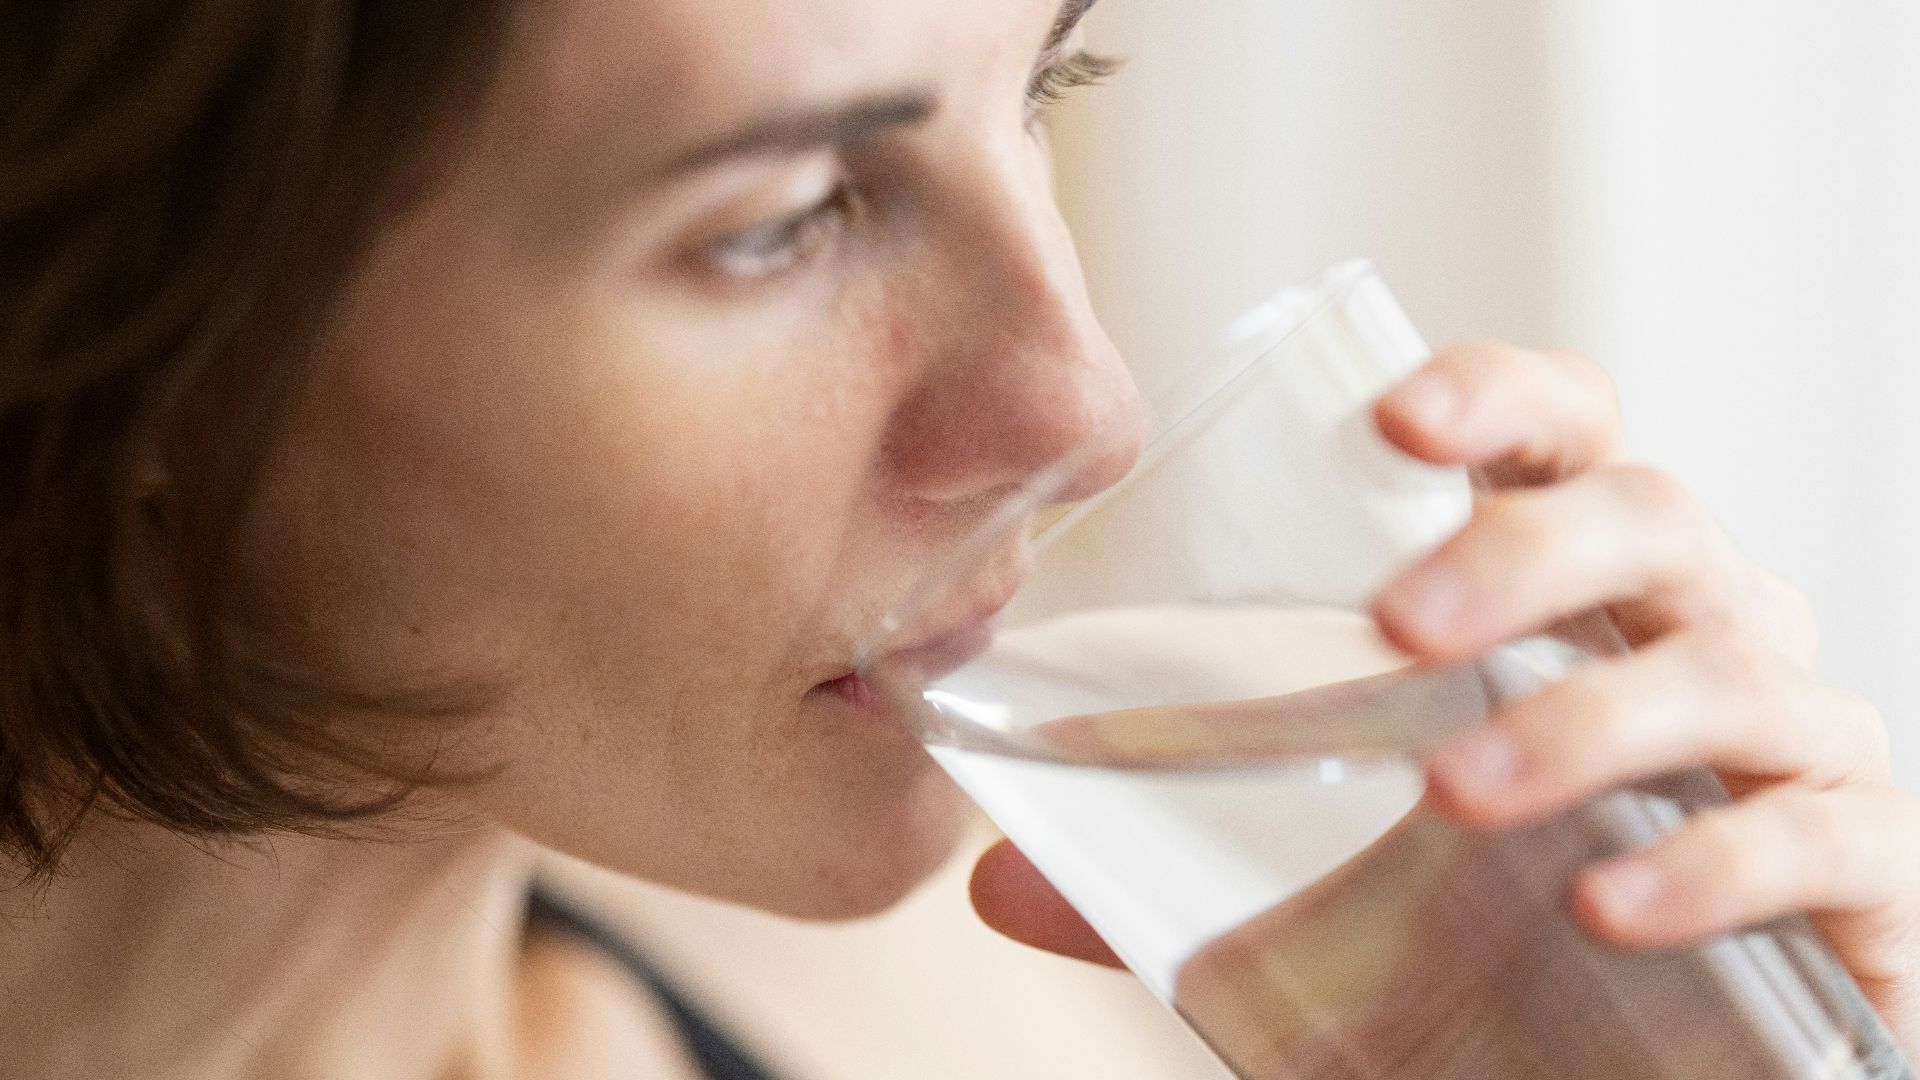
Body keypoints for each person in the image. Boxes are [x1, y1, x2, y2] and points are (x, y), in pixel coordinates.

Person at [3, 2, 1916, 1077]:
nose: (1086, 404)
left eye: (1046, 88)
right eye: (781, 217)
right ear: (121, 324)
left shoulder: (1007, 1020)